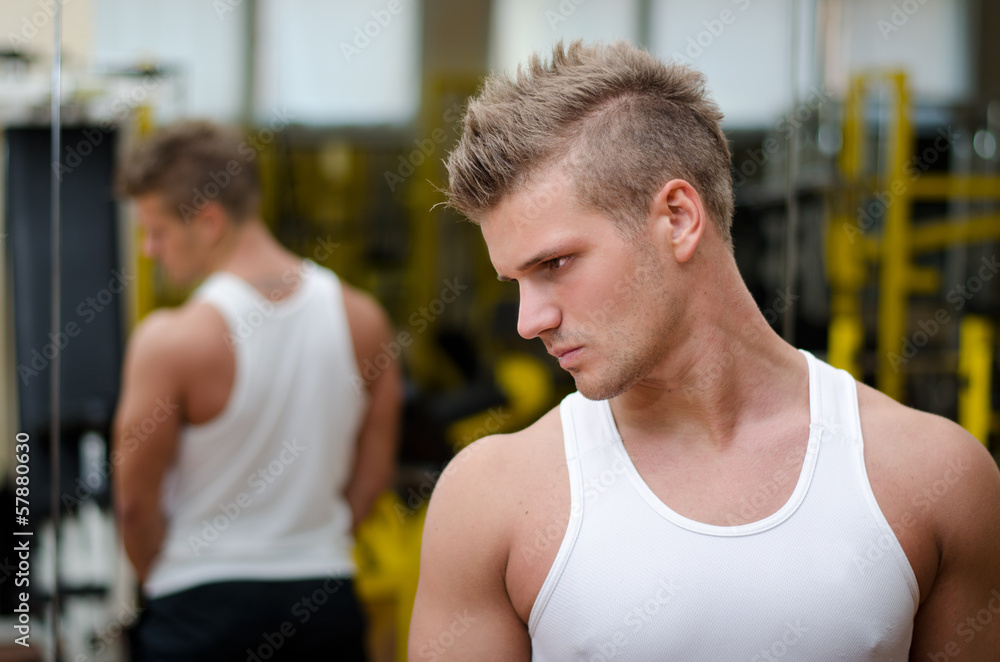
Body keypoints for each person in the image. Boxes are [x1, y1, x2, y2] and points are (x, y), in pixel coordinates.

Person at [409, 41, 1000, 660]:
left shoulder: (936, 478)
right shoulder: (489, 499)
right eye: (517, 282)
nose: (530, 321)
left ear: (679, 218)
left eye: (555, 263)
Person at [113, 120, 401, 661]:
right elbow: (372, 480)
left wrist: (177, 576)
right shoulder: (364, 320)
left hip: (199, 611)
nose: (151, 250)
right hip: (325, 601)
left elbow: (133, 505)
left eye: (157, 231)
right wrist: (310, 542)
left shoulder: (169, 340)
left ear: (208, 220)